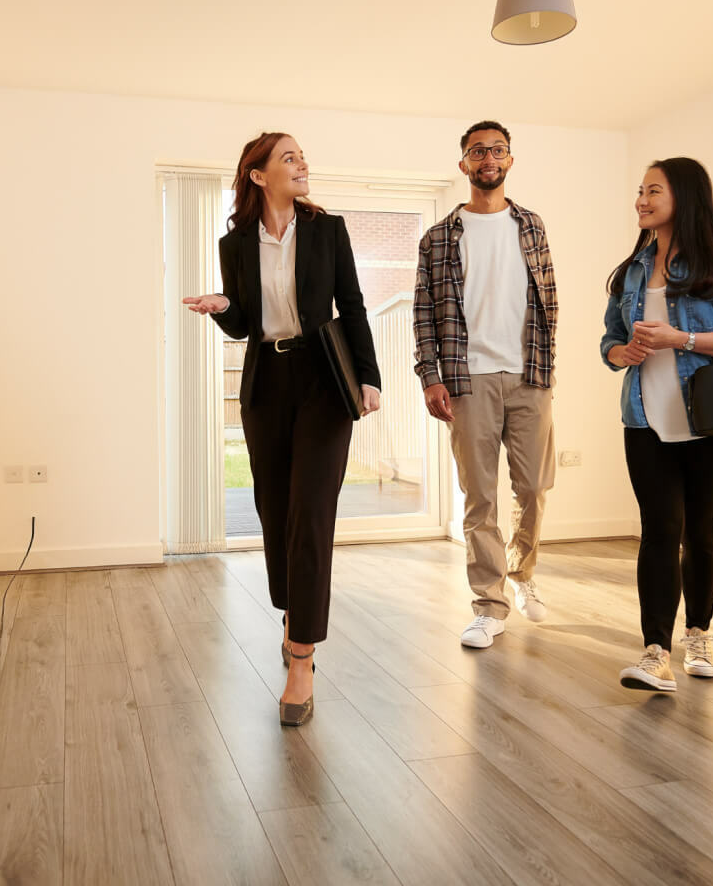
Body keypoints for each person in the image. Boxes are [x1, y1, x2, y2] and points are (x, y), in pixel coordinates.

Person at [183, 132, 380, 725]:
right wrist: (224, 308)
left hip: (325, 380)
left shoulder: (327, 229)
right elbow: (245, 324)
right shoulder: (236, 243)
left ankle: (302, 657)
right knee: (275, 509)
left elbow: (353, 304)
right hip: (267, 384)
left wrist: (367, 376)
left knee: (312, 513)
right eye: (288, 157)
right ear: (259, 175)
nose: (302, 164)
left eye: (302, 156)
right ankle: (294, 612)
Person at [601, 157, 713, 692]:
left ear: (686, 196)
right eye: (640, 190)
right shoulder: (633, 268)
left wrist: (683, 339)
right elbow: (608, 342)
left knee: (700, 533)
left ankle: (698, 635)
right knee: (658, 531)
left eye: (653, 190)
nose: (641, 199)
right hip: (644, 417)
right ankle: (655, 651)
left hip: (711, 417)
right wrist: (622, 351)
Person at [414, 121, 559, 649]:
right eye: (478, 151)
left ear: (510, 160)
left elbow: (549, 300)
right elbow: (424, 314)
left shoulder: (532, 226)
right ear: (464, 165)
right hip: (466, 378)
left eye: (498, 150)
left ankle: (521, 574)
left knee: (535, 489)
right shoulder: (438, 238)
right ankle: (489, 604)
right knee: (480, 498)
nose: (489, 158)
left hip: (529, 377)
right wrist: (431, 376)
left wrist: (544, 367)